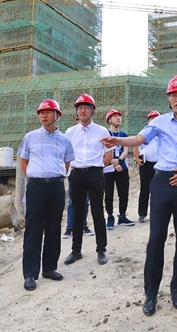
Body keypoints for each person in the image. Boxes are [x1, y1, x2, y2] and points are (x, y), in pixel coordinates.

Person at [101, 75, 177, 316]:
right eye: (173, 95)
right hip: (162, 183)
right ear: (169, 99)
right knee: (156, 239)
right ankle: (150, 294)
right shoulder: (159, 122)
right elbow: (139, 139)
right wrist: (116, 139)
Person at [17, 99, 75, 291]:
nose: (44, 115)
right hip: (36, 187)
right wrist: (33, 179)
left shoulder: (65, 140)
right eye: (41, 112)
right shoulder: (30, 137)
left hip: (56, 186)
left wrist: (55, 177)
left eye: (48, 112)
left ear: (57, 115)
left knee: (53, 228)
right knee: (33, 229)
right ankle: (30, 274)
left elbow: (67, 164)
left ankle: (49, 268)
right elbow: (23, 161)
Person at [64, 93, 113, 266]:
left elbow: (109, 155)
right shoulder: (70, 132)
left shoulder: (102, 131)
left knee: (98, 212)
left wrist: (98, 168)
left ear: (93, 110)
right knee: (77, 213)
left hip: (95, 174)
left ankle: (101, 250)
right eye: (80, 108)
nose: (82, 110)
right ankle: (76, 251)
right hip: (76, 174)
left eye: (86, 107)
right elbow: (66, 156)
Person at [103, 109, 135, 229]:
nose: (118, 118)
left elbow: (126, 150)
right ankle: (110, 216)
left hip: (122, 167)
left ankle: (122, 216)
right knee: (109, 193)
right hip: (108, 168)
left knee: (124, 193)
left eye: (119, 116)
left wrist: (119, 160)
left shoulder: (123, 135)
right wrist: (113, 162)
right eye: (115, 116)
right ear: (109, 120)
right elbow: (102, 150)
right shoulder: (105, 133)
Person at [63, 117, 93, 239]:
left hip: (89, 172)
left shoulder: (91, 134)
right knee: (72, 202)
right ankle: (69, 227)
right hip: (74, 172)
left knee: (86, 201)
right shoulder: (71, 133)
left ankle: (84, 225)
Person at [133, 110, 160, 223]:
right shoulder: (144, 133)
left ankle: (156, 213)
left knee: (157, 190)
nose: (154, 120)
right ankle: (142, 214)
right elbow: (135, 145)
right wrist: (137, 158)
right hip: (146, 164)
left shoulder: (161, 133)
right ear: (148, 120)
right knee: (145, 189)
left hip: (158, 165)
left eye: (156, 119)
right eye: (152, 118)